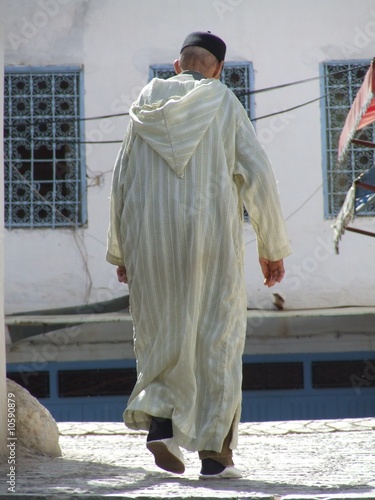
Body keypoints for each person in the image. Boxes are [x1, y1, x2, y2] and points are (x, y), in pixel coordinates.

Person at [106, 31, 291, 479]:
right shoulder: (224, 102)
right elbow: (258, 175)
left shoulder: (143, 108)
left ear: (177, 65)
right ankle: (214, 454)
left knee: (161, 336)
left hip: (152, 243)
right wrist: (271, 247)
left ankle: (162, 425)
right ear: (217, 70)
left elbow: (121, 181)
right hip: (210, 242)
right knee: (217, 339)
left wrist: (123, 253)